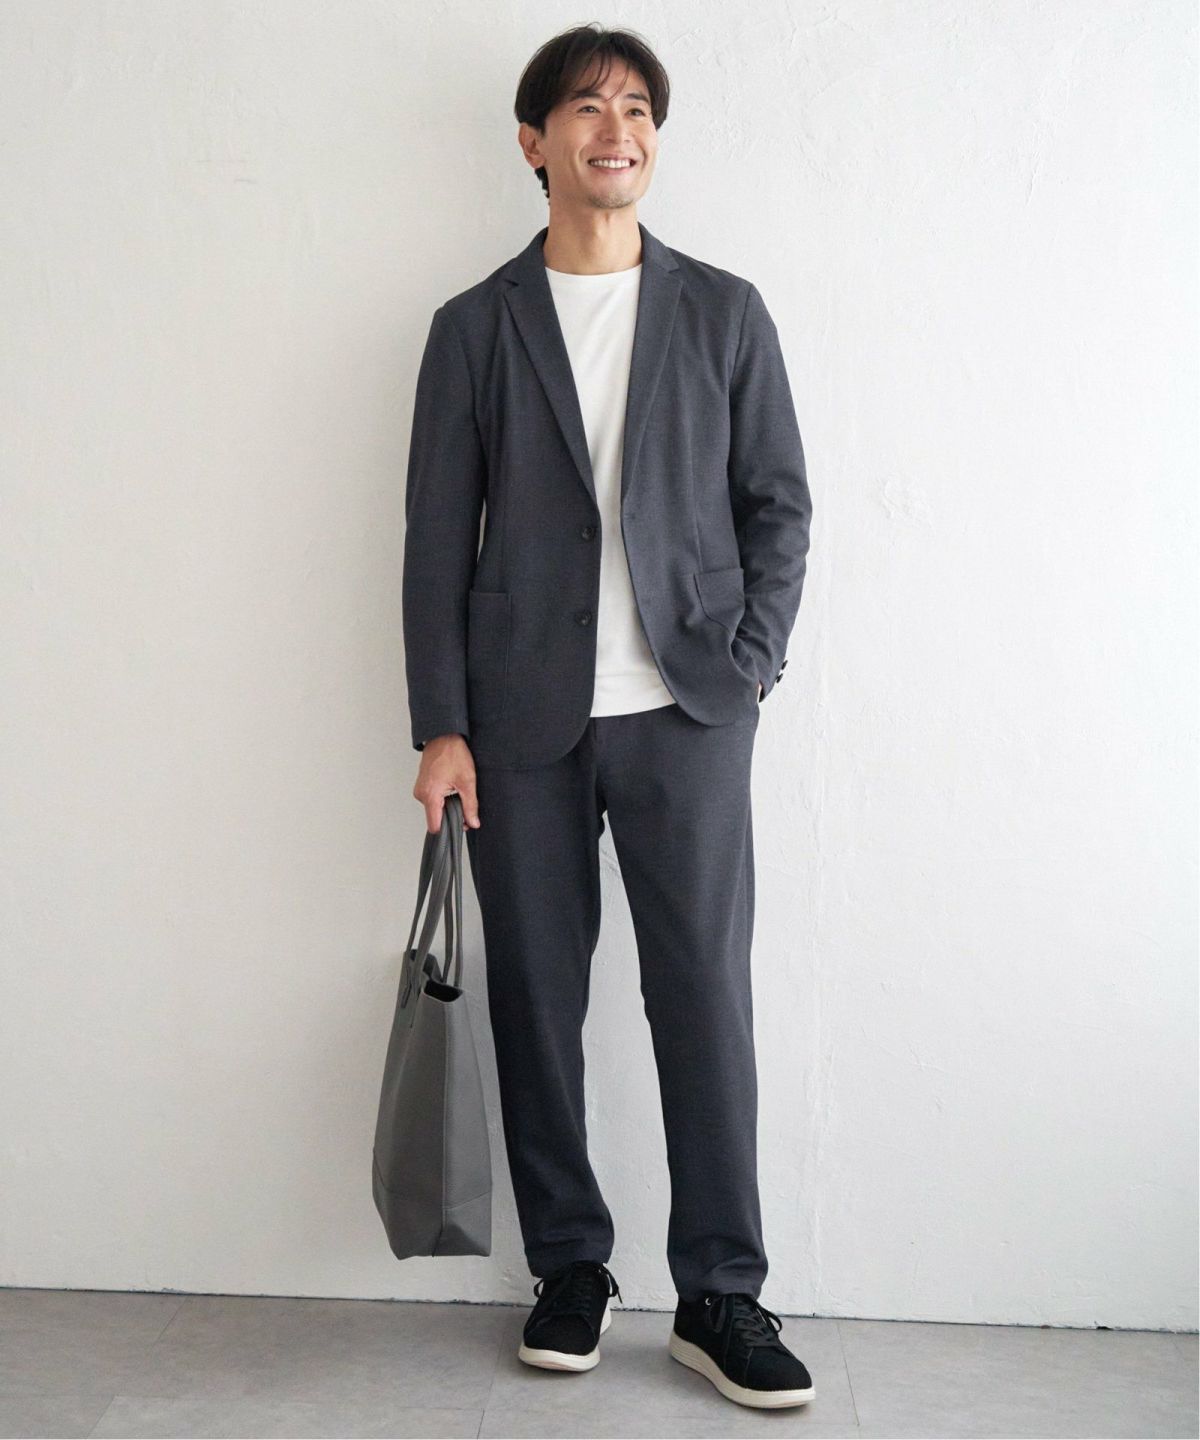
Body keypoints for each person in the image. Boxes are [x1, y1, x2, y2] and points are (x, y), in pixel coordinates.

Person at [402, 22, 814, 1412]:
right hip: (519, 727)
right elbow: (433, 543)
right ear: (535, 142)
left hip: (688, 713)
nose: (615, 128)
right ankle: (571, 1267)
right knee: (536, 999)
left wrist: (749, 665)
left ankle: (722, 1293)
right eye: (585, 107)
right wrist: (440, 724)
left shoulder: (724, 313)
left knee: (704, 997)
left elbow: (778, 506)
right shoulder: (474, 327)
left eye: (636, 107)